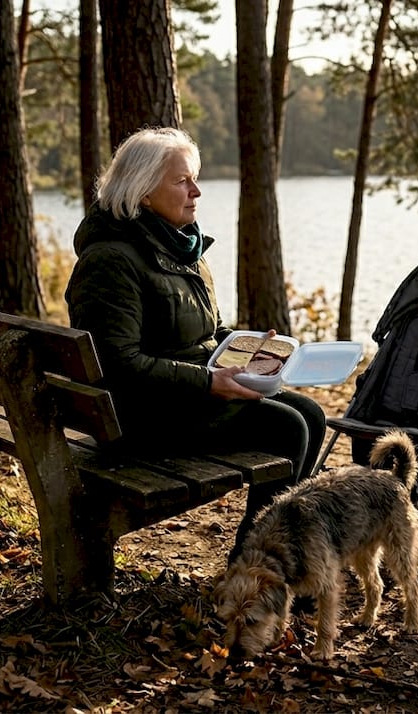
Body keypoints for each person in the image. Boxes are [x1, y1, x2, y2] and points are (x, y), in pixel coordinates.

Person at [65, 127, 325, 561]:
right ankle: (258, 561)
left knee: (311, 413)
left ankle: (265, 550)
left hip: (180, 400)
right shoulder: (110, 260)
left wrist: (251, 347)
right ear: (143, 191)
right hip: (140, 416)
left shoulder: (184, 250)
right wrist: (208, 383)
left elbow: (207, 332)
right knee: (289, 427)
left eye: (194, 178)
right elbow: (117, 362)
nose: (196, 191)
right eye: (182, 181)